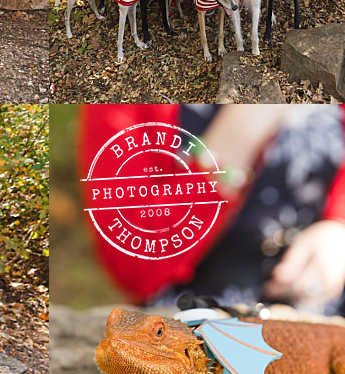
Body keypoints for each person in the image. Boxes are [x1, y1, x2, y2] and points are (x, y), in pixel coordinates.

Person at [79, 104, 345, 314]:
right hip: (192, 325)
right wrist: (238, 132)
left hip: (320, 316)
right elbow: (133, 266)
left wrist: (338, 225)